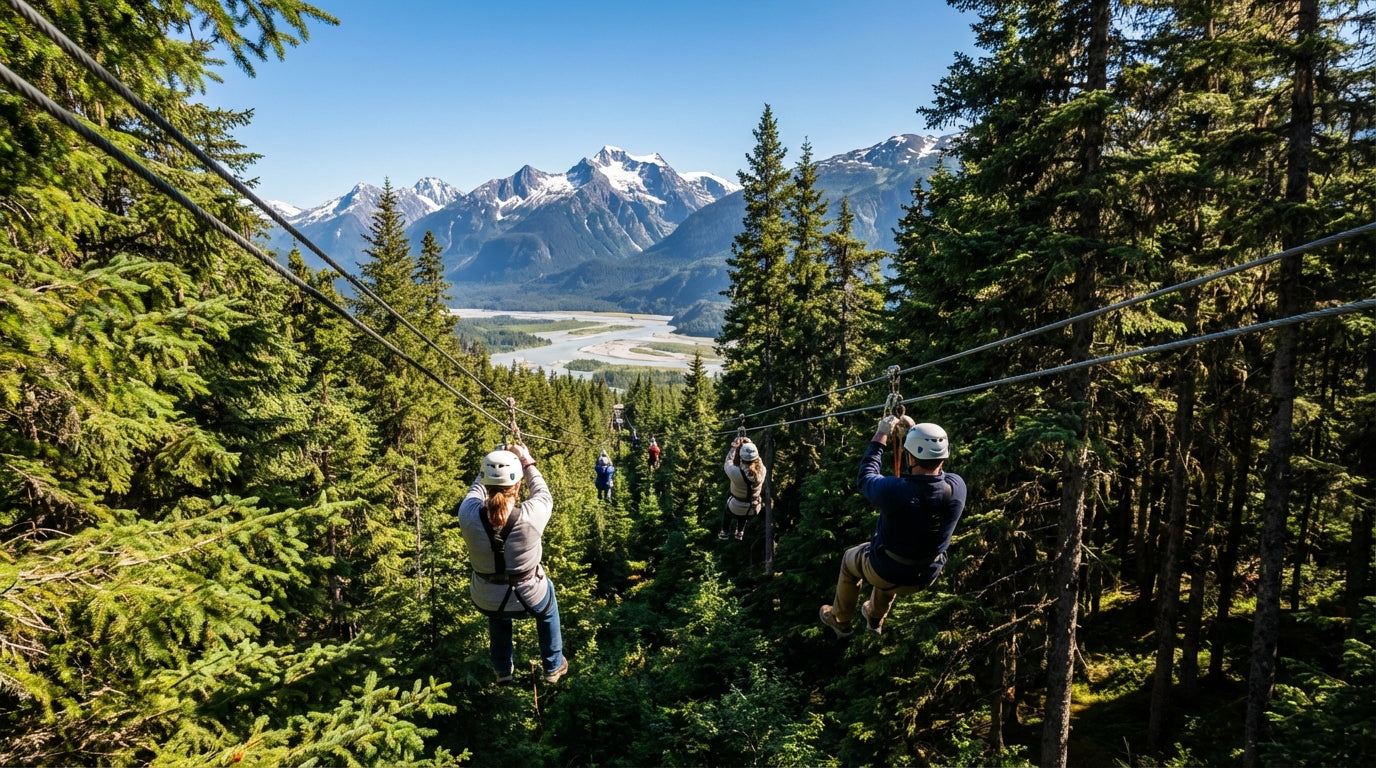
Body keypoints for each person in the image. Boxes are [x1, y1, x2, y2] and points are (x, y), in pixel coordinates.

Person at [819, 416, 967, 637]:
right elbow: (935, 476)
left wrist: (881, 435)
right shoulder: (957, 488)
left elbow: (866, 476)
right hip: (926, 575)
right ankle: (875, 619)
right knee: (892, 557)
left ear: (911, 457)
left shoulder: (895, 491)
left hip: (888, 571)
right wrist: (914, 433)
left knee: (852, 560)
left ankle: (840, 618)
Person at [457, 443, 569, 684]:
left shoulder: (467, 514)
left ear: (486, 484)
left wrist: (490, 460)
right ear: (518, 485)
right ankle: (553, 665)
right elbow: (542, 492)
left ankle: (502, 669)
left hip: (486, 596)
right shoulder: (531, 516)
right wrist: (526, 460)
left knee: (497, 615)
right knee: (548, 608)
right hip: (530, 594)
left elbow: (476, 489)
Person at [720, 436, 765, 541]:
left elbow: (728, 462)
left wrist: (734, 448)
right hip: (754, 508)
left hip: (735, 507)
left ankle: (724, 532)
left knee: (728, 512)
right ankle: (740, 532)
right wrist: (749, 444)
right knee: (744, 514)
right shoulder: (762, 470)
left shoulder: (735, 473)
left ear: (742, 458)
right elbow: (758, 459)